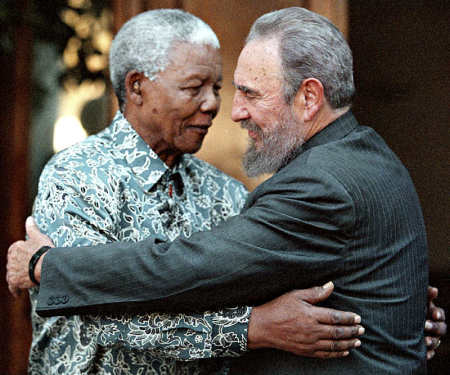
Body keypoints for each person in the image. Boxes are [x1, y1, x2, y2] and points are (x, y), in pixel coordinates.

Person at [6, 6, 446, 373]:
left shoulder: (230, 191)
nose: (221, 107)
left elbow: (223, 274)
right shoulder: (76, 176)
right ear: (137, 87)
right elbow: (94, 317)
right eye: (195, 87)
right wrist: (251, 329)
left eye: (220, 87)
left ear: (308, 98)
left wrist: (389, 312)